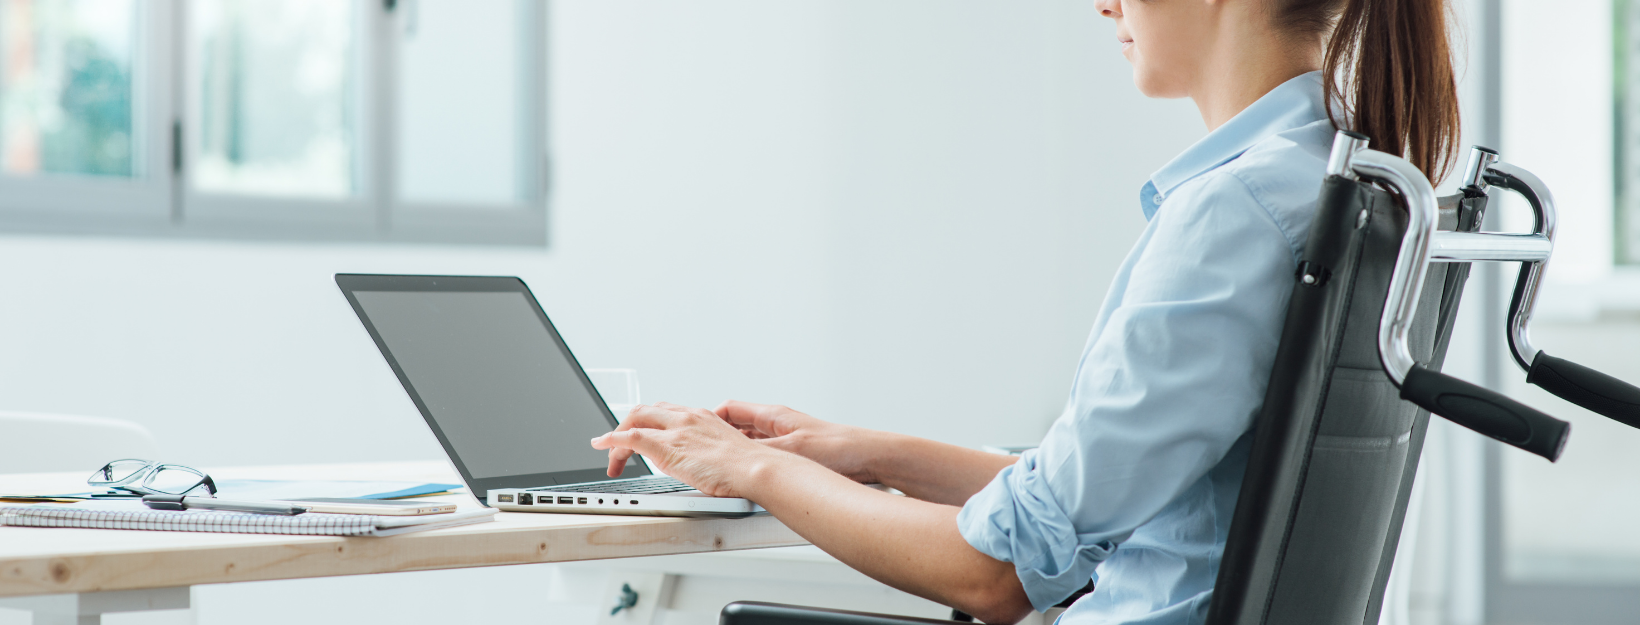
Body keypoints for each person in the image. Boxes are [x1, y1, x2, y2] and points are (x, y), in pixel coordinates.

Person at [590, 0, 1460, 623]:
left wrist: (751, 469)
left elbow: (996, 574)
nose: (1103, 4)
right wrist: (859, 451)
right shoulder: (1343, 181)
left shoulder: (1234, 213)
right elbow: (1091, 498)